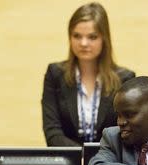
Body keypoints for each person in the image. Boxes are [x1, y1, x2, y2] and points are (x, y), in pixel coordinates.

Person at [41, 2, 135, 146]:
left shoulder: (125, 79)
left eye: (92, 37)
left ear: (104, 39)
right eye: (77, 36)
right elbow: (53, 132)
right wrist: (81, 157)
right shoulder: (55, 74)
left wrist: (98, 160)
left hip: (109, 163)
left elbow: (126, 131)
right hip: (67, 161)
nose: (83, 43)